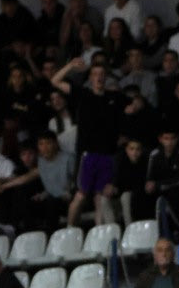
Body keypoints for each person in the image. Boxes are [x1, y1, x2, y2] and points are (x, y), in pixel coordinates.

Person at [50, 59, 125, 228]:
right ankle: (69, 229)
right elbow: (55, 81)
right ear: (90, 77)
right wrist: (70, 65)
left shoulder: (113, 97)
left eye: (102, 74)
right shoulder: (83, 93)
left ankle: (100, 232)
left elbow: (132, 104)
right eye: (95, 74)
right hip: (88, 154)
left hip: (107, 154)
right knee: (81, 194)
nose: (99, 77)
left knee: (100, 197)